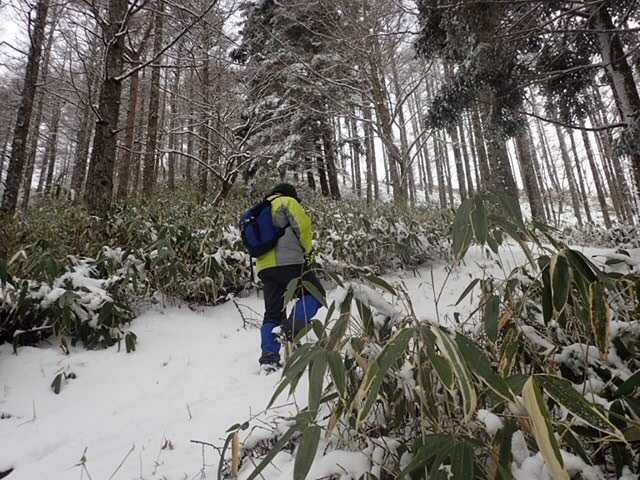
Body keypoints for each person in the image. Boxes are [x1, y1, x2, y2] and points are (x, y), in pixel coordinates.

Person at [256, 183, 325, 371]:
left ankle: (269, 358)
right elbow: (303, 227)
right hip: (290, 263)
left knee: (273, 313)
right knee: (316, 294)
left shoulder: (259, 210)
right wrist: (307, 252)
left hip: (265, 267)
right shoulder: (287, 201)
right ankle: (290, 329)